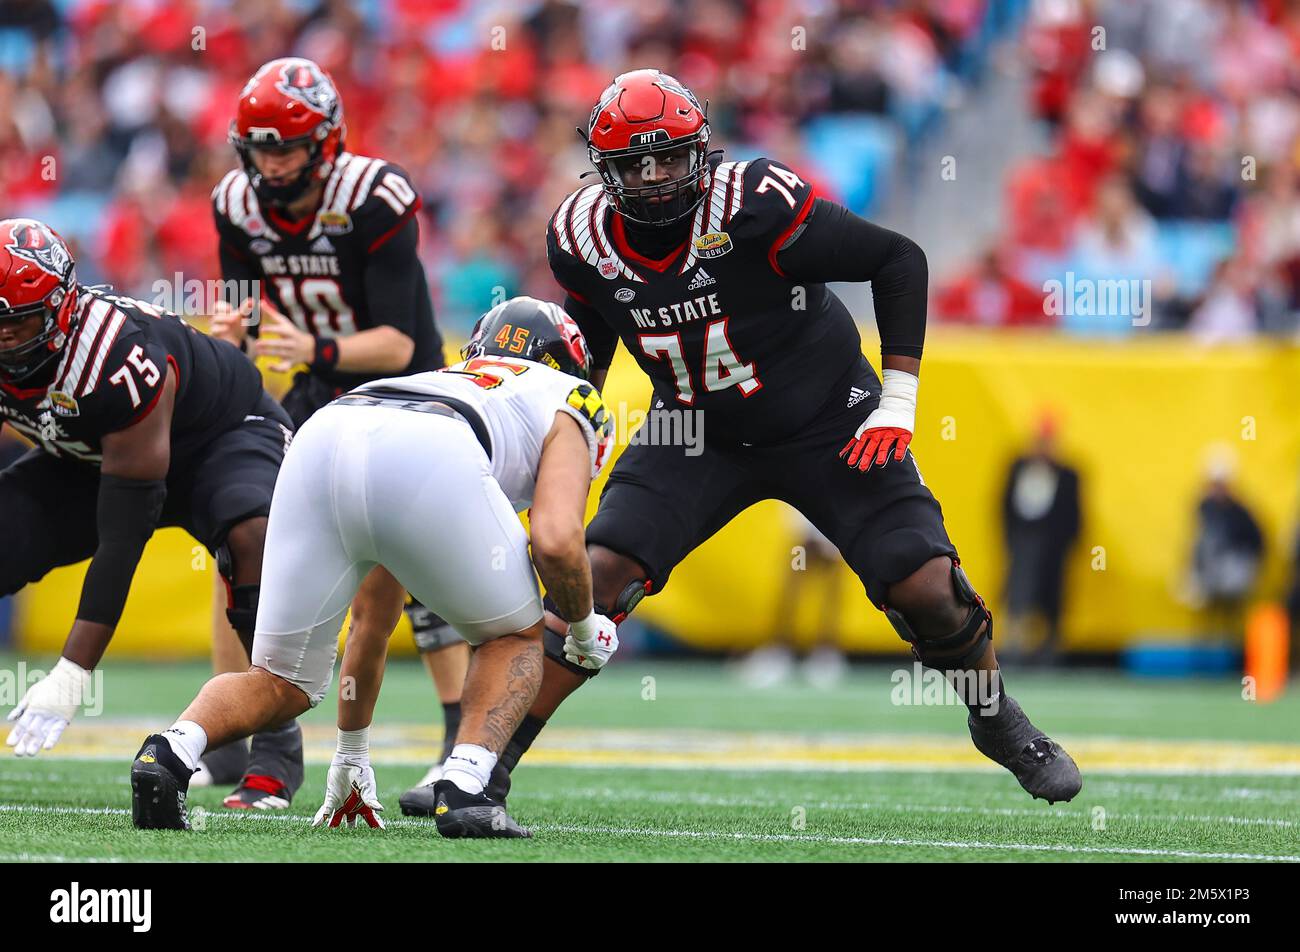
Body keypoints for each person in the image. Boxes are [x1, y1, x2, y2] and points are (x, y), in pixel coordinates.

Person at [465, 69, 1082, 808]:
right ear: (605, 170)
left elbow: (897, 259)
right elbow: (590, 349)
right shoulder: (582, 237)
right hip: (696, 427)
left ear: (702, 152)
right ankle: (484, 765)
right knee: (592, 579)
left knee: (924, 582)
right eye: (636, 163)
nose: (656, 177)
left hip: (825, 416)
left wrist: (898, 397)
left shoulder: (752, 203)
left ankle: (997, 718)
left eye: (669, 157)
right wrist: (555, 449)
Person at [130, 297, 615, 838]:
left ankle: (170, 752)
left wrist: (351, 755)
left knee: (278, 680)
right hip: (431, 452)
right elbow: (556, 540)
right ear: (570, 361)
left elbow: (374, 616)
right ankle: (465, 788)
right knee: (514, 638)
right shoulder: (569, 395)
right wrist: (580, 624)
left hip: (325, 433)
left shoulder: (442, 378)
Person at [206, 57, 466, 807]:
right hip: (317, 390)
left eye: (286, 147)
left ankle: (459, 742)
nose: (273, 163)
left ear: (325, 142)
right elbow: (247, 314)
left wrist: (308, 350)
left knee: (416, 575)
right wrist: (236, 329)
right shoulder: (237, 204)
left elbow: (396, 343)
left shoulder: (373, 198)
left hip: (408, 390)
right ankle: (236, 730)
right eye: (260, 148)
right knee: (240, 536)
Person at [0, 218, 295, 805]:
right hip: (90, 450)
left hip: (220, 437)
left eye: (21, 323)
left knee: (249, 532)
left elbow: (124, 535)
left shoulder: (113, 357)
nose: (6, 340)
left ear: (60, 309)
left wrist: (72, 671)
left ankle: (276, 747)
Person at [1000, 415, 1081, 665]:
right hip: (1023, 539)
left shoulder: (1067, 473)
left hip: (1053, 545)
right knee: (1018, 592)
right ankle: (1014, 647)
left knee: (1052, 595)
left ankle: (1049, 650)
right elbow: (1004, 505)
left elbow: (1074, 513)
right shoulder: (1018, 466)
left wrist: (1067, 544)